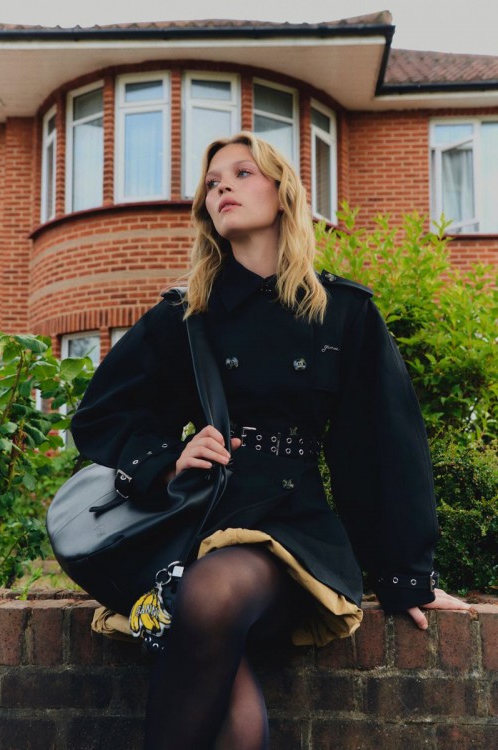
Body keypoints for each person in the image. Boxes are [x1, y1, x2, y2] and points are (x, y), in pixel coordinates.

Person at [71, 131, 469, 750]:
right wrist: (167, 460)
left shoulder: (343, 312)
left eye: (242, 174)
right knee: (220, 657)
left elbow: (383, 449)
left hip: (291, 529)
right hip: (198, 522)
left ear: (283, 194)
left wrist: (406, 576)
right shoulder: (186, 315)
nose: (222, 187)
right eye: (211, 183)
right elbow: (101, 414)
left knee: (212, 595)